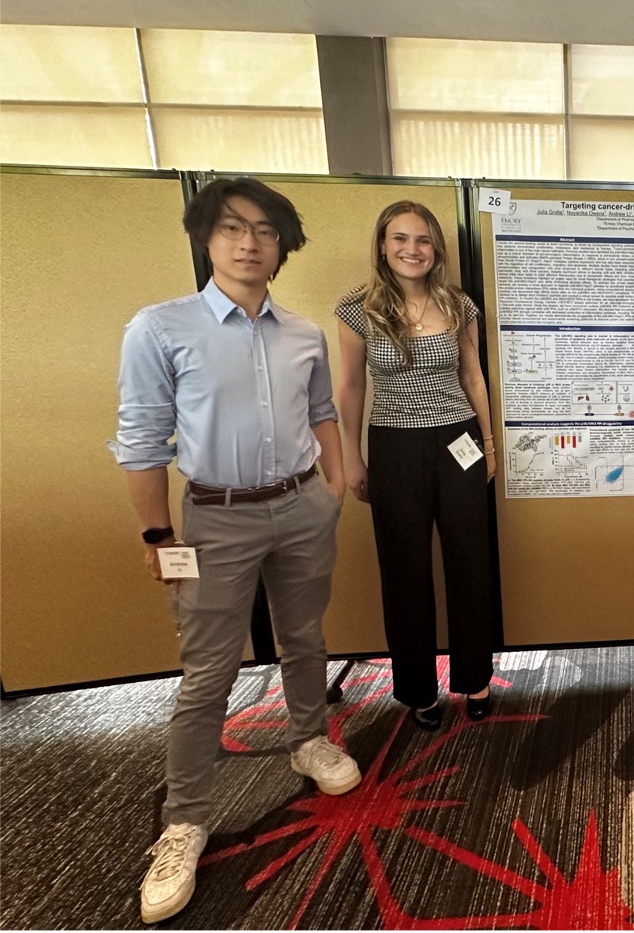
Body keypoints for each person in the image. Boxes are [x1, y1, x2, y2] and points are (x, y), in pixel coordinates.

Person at [111, 177, 362, 923]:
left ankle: (309, 739)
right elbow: (141, 439)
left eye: (264, 231)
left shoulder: (302, 332)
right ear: (206, 238)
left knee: (305, 636)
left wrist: (333, 485)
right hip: (215, 517)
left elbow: (322, 411)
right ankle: (184, 821)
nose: (249, 243)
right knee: (209, 672)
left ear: (282, 246)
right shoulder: (161, 328)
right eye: (231, 228)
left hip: (301, 505)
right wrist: (157, 534)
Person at [335, 200, 496, 732]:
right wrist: (352, 456)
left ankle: (475, 678)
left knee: (470, 563)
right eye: (400, 238)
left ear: (436, 249)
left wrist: (489, 444)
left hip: (459, 441)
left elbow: (473, 377)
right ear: (383, 246)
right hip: (394, 446)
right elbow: (351, 386)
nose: (412, 249)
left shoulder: (458, 304)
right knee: (405, 571)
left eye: (423, 239)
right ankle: (418, 689)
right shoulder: (357, 309)